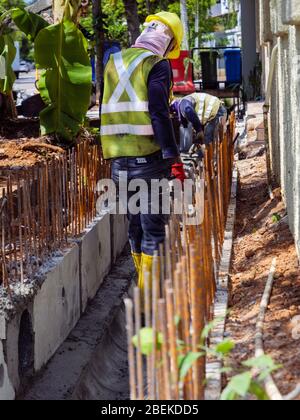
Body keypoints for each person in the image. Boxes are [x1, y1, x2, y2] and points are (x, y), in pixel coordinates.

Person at [100, 12, 184, 293]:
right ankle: (152, 295)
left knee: (135, 226)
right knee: (154, 228)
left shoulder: (115, 61)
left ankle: (144, 286)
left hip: (117, 160)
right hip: (148, 159)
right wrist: (172, 155)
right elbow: (159, 113)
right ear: (167, 41)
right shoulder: (156, 65)